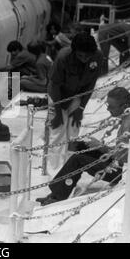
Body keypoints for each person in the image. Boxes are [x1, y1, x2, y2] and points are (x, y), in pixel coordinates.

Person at [37, 87, 130, 206]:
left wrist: (101, 146)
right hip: (124, 163)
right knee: (81, 147)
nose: (107, 109)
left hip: (127, 171)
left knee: (77, 160)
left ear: (124, 106)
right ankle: (59, 189)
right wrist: (100, 147)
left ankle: (57, 196)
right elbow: (125, 150)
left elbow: (125, 157)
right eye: (107, 104)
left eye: (111, 106)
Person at [47, 32, 103, 169]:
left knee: (73, 133)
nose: (84, 59)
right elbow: (54, 86)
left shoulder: (98, 56)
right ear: (74, 51)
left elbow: (91, 84)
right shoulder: (63, 57)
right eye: (80, 56)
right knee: (57, 133)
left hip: (77, 96)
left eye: (87, 56)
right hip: (58, 95)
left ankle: (69, 168)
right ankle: (53, 169)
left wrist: (81, 109)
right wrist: (58, 113)